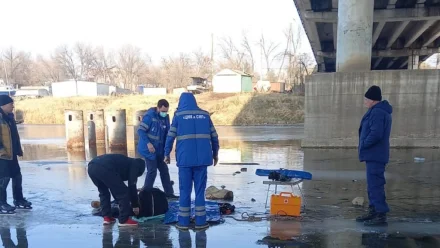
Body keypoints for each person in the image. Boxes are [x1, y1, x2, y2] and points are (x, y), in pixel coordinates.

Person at [164, 92, 220, 230]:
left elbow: (170, 137)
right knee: (200, 191)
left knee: (185, 191)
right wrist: (215, 154)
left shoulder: (178, 116)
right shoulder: (205, 115)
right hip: (202, 160)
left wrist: (166, 153)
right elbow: (214, 136)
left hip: (185, 160)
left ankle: (183, 223)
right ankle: (201, 222)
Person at [357, 85, 392, 226]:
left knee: (376, 185)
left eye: (366, 99)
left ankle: (380, 214)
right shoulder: (378, 111)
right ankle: (373, 211)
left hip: (375, 154)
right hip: (374, 154)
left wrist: (364, 144)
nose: (365, 101)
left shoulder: (378, 112)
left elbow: (376, 134)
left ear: (372, 100)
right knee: (372, 185)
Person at [87, 154, 145, 226]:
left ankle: (107, 217)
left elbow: (114, 188)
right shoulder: (136, 165)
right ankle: (124, 220)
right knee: (124, 192)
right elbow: (131, 186)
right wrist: (135, 206)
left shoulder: (125, 163)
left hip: (91, 167)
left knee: (103, 192)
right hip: (105, 167)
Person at [138, 99, 177, 199]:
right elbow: (141, 131)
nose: (164, 113)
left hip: (160, 150)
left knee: (164, 170)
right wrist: (148, 144)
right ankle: (145, 194)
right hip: (149, 150)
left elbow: (167, 134)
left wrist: (166, 153)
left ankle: (169, 193)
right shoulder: (149, 116)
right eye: (163, 111)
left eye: (166, 111)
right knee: (152, 171)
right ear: (158, 108)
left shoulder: (165, 118)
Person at [0, 95, 32, 215]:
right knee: (3, 179)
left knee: (17, 176)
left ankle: (18, 199)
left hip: (12, 153)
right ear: (3, 105)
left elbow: (13, 135)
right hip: (2, 155)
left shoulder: (9, 117)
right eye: (10, 104)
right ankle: (1, 203)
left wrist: (18, 149)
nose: (13, 106)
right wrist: (1, 151)